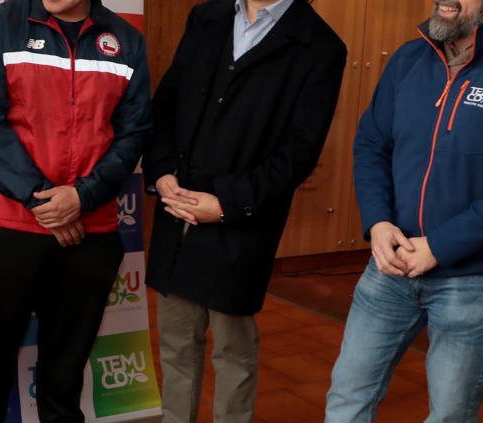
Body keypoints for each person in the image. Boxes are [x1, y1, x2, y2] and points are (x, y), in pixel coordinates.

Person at [324, 0, 483, 421]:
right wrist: (378, 222)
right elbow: (372, 145)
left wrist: (439, 246)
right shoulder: (407, 59)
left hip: (473, 280)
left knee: (450, 415)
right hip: (390, 267)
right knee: (348, 397)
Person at [142, 0, 346, 422]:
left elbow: (298, 152)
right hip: (177, 207)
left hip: (241, 221)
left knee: (232, 352)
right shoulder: (206, 16)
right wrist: (160, 171)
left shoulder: (320, 45)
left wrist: (226, 204)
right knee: (176, 344)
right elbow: (166, 102)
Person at [0, 0, 152, 420]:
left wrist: (82, 198)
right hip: (9, 226)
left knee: (65, 377)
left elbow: (134, 133)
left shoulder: (127, 41)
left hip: (91, 230)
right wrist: (44, 200)